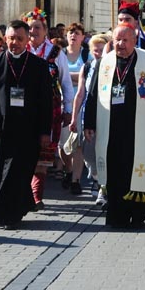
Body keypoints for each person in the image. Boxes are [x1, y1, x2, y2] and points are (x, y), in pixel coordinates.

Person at [84, 23, 145, 228]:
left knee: (137, 169)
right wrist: (89, 122)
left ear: (134, 41)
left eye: (125, 40)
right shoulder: (104, 62)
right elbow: (93, 93)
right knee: (116, 170)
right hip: (112, 127)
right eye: (117, 40)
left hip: (139, 126)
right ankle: (116, 212)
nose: (121, 44)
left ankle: (138, 212)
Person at [0, 20, 53, 230]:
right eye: (11, 39)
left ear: (27, 39)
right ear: (5, 39)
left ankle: (10, 214)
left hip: (28, 131)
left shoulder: (38, 66)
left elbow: (46, 101)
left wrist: (45, 132)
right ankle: (1, 210)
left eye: (19, 39)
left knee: (18, 173)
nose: (14, 43)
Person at [22, 8, 73, 209]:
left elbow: (66, 82)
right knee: (25, 150)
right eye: (29, 28)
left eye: (37, 27)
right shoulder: (21, 50)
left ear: (45, 30)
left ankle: (36, 195)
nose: (33, 31)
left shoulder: (55, 52)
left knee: (44, 152)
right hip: (24, 108)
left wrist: (68, 108)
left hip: (50, 107)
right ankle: (25, 192)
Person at [69, 34, 109, 206]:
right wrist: (73, 117)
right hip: (88, 115)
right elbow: (80, 94)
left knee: (105, 150)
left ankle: (103, 187)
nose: (98, 53)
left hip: (107, 115)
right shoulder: (87, 66)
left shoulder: (112, 67)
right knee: (88, 152)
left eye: (101, 50)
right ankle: (95, 176)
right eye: (95, 50)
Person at [59, 22, 91, 195]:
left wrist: (69, 77)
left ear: (82, 37)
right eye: (70, 32)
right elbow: (56, 75)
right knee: (63, 145)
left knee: (77, 144)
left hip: (80, 104)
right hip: (62, 103)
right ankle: (68, 168)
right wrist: (78, 76)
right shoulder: (60, 54)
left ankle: (75, 180)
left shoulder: (86, 56)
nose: (73, 35)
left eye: (77, 33)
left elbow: (88, 77)